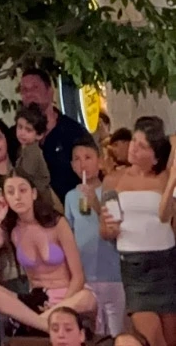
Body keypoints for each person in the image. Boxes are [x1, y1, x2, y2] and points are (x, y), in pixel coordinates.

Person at [0, 172, 95, 334]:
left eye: (22, 190)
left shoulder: (56, 223)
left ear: (33, 194)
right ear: (4, 198)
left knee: (87, 298)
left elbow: (78, 277)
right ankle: (43, 324)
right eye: (10, 192)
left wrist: (60, 309)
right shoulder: (11, 228)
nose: (17, 197)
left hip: (67, 298)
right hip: (37, 298)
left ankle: (35, 323)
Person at [98, 115, 176, 346]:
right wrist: (110, 229)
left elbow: (166, 217)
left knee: (171, 338)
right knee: (150, 338)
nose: (133, 148)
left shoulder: (165, 178)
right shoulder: (113, 180)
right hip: (134, 267)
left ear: (155, 156)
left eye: (142, 146)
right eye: (134, 141)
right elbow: (104, 230)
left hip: (166, 263)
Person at [65, 137, 125, 339]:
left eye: (88, 157)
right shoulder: (70, 197)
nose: (83, 163)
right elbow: (69, 233)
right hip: (85, 275)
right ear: (72, 165)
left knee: (116, 332)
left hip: (113, 273)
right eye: (77, 159)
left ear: (99, 161)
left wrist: (96, 203)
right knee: (93, 332)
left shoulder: (110, 191)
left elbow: (115, 228)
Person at [18, 69, 93, 203]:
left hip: (71, 207)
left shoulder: (73, 132)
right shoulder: (15, 136)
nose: (29, 94)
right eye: (24, 90)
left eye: (35, 88)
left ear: (50, 92)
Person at [17, 106, 65, 205]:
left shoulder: (33, 151)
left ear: (39, 135)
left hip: (41, 199)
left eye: (28, 130)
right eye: (20, 127)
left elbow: (25, 175)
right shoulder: (23, 149)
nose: (22, 133)